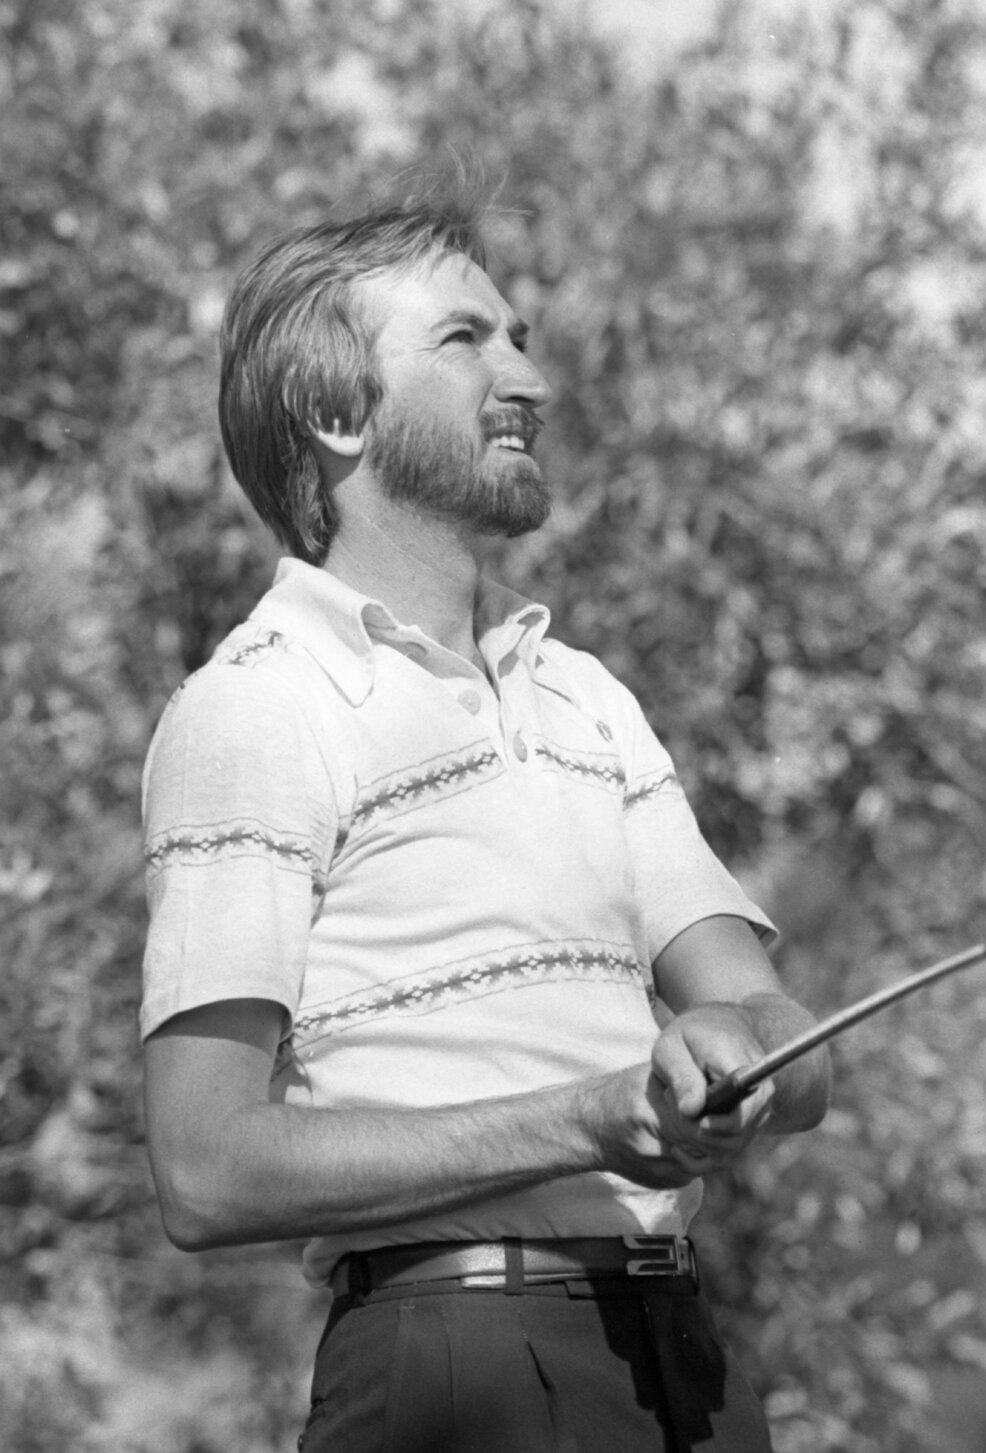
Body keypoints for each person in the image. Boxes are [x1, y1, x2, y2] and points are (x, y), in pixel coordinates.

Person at [140, 172, 831, 1453]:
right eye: (466, 339)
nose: (529, 379)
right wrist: (588, 1113)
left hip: (681, 1362)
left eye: (519, 337)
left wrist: (742, 1061)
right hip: (454, 1371)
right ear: (336, 412)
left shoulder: (587, 696)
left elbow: (781, 1030)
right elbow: (206, 1167)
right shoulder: (257, 708)